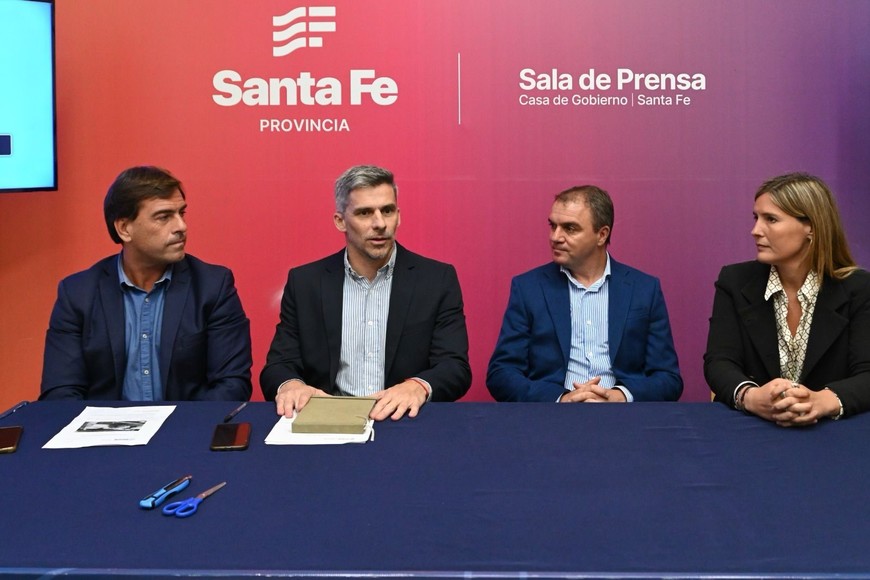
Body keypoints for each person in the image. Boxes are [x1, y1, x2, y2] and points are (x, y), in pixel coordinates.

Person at [260, 165, 471, 421]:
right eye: (364, 213)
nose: (380, 223)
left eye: (387, 211)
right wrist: (291, 385)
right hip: (328, 421)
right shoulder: (306, 282)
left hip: (403, 420)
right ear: (340, 221)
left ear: (398, 216)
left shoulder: (437, 279)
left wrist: (418, 386)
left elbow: (454, 367)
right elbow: (279, 365)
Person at [40, 166, 253, 401]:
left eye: (181, 213)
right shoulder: (78, 294)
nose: (181, 226)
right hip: (104, 424)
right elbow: (60, 393)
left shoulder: (212, 286)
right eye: (164, 217)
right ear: (124, 229)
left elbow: (232, 385)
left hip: (188, 423)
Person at [487, 185, 682, 402]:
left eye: (570, 228)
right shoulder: (528, 288)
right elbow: (501, 374)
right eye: (553, 226)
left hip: (623, 414)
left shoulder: (644, 289)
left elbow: (668, 379)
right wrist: (561, 399)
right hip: (552, 414)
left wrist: (620, 396)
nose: (555, 237)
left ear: (601, 235)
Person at [705, 172, 870, 425]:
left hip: (832, 433)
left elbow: (867, 372)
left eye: (771, 219)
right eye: (756, 218)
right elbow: (719, 362)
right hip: (752, 430)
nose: (755, 231)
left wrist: (821, 401)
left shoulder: (859, 288)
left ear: (811, 227)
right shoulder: (735, 281)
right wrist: (751, 397)